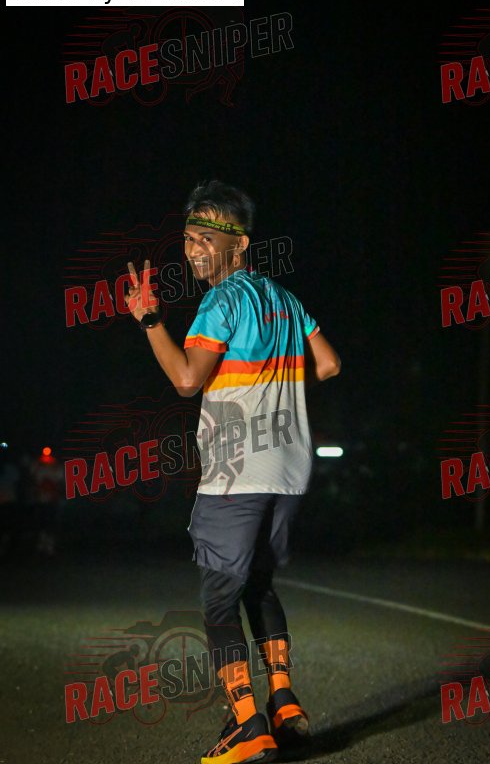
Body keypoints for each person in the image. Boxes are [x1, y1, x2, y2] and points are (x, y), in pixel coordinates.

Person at [125, 180, 341, 763]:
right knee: (259, 586)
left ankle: (248, 726)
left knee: (219, 603)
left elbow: (186, 379)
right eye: (189, 238)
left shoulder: (221, 301)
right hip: (289, 471)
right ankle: (284, 703)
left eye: (207, 238)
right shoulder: (285, 300)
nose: (194, 249)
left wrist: (150, 321)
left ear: (239, 245)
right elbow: (328, 364)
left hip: (236, 475)